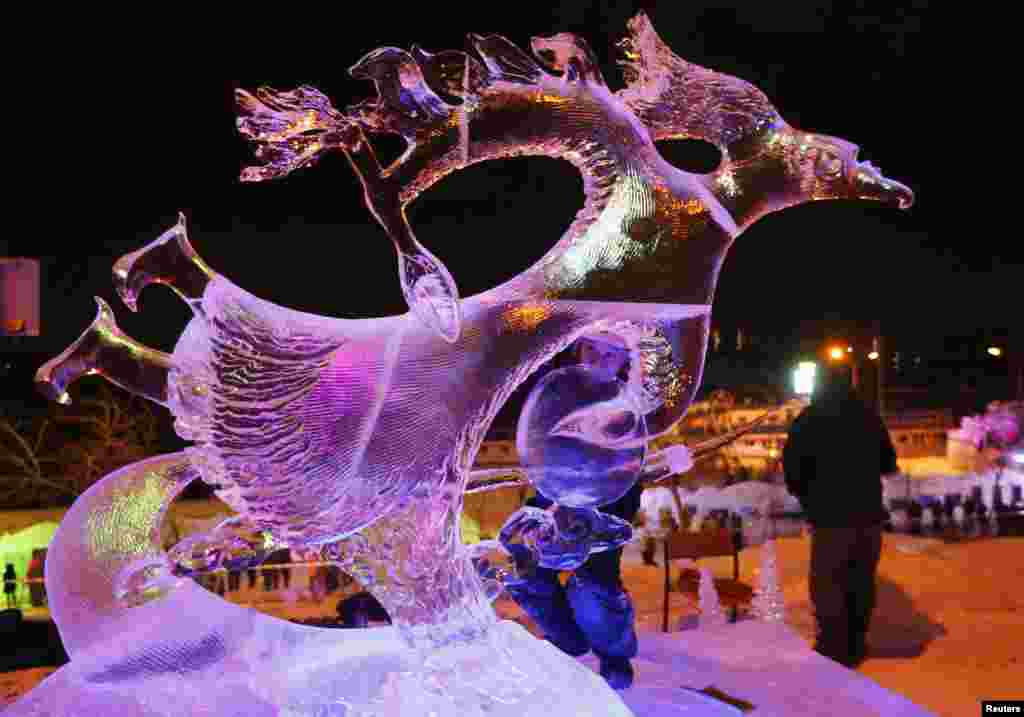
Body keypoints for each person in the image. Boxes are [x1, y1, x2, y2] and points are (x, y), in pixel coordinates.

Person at [505, 334, 641, 690]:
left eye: (610, 353)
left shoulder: (628, 401)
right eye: (592, 348)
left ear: (624, 359)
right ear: (577, 349)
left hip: (608, 496)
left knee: (595, 579)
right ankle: (567, 639)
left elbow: (640, 447)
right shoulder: (557, 390)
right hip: (554, 491)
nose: (599, 358)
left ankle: (613, 652)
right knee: (526, 563)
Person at [782, 364, 898, 668]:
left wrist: (808, 496)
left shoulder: (807, 421)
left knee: (829, 581)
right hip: (867, 515)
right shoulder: (868, 417)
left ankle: (833, 647)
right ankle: (855, 641)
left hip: (829, 516)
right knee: (860, 579)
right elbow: (888, 462)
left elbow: (793, 470)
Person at [636, 485, 682, 566]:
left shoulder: (665, 492)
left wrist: (677, 522)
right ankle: (648, 560)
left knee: (662, 535)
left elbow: (673, 509)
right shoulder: (642, 494)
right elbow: (639, 514)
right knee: (642, 534)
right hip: (647, 525)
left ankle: (672, 560)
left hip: (663, 524)